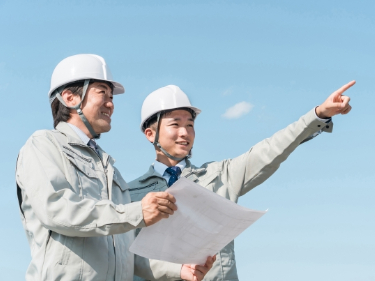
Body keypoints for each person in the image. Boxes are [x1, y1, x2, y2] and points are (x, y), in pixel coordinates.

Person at [15, 54, 214, 281]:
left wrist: (179, 270)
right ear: (70, 98)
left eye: (112, 97)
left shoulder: (111, 170)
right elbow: (57, 210)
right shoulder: (44, 145)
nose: (111, 104)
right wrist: (136, 211)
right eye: (102, 93)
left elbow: (125, 251)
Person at [128, 82, 354, 281]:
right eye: (175, 124)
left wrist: (317, 115)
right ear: (150, 134)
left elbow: (270, 150)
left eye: (190, 125)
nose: (185, 133)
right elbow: (126, 260)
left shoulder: (220, 175)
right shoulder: (128, 194)